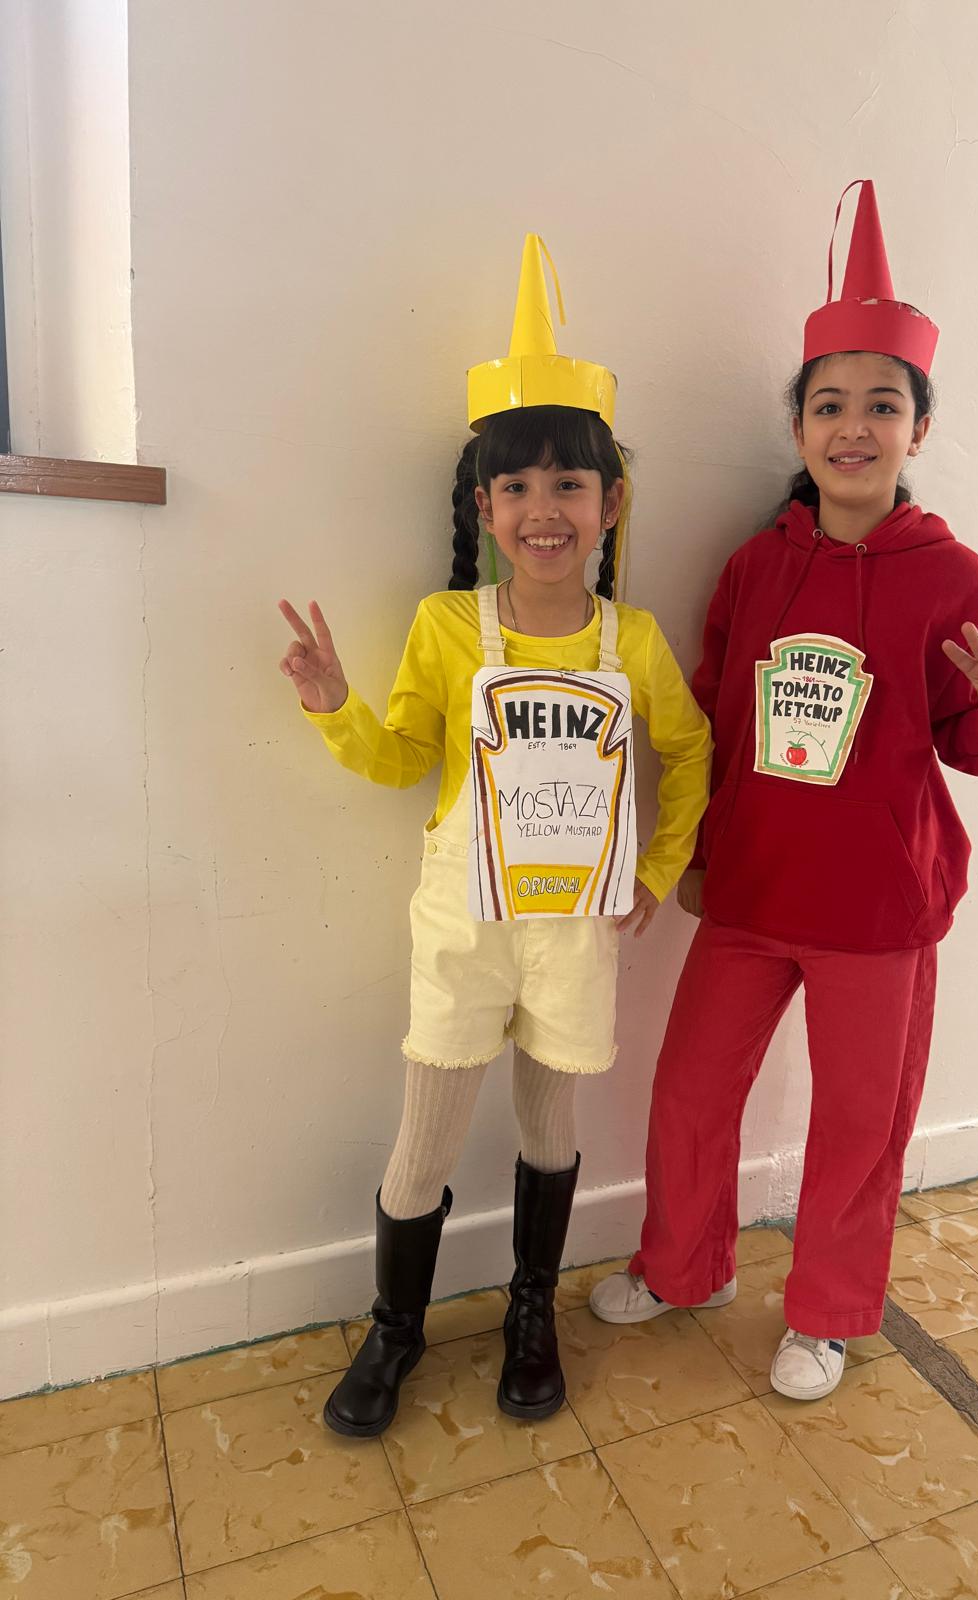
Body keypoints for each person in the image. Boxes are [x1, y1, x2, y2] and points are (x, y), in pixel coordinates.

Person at [590, 181, 978, 1402]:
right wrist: (689, 846)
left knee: (860, 1121)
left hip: (879, 908)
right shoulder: (756, 565)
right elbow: (713, 724)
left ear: (919, 429)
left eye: (882, 405)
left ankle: (831, 1311)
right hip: (750, 890)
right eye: (830, 405)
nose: (854, 427)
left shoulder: (953, 575)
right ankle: (682, 1265)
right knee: (691, 1091)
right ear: (798, 427)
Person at [278, 235, 711, 1434]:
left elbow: (692, 751)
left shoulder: (633, 642)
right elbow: (403, 759)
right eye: (515, 486)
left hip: (573, 925)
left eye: (569, 484)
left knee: (549, 1127)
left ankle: (532, 1313)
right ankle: (395, 1327)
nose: (542, 508)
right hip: (464, 921)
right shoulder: (446, 625)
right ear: (483, 507)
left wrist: (657, 868)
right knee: (424, 1137)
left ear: (610, 503)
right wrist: (335, 707)